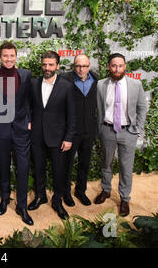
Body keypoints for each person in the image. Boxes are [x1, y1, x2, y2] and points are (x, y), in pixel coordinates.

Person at [94, 53, 147, 216]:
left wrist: (138, 129)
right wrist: (100, 129)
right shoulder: (100, 85)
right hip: (107, 129)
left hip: (128, 131)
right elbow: (97, 108)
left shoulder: (135, 84)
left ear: (125, 67)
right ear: (109, 67)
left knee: (126, 167)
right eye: (114, 66)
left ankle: (124, 198)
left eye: (120, 66)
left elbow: (142, 107)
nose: (117, 69)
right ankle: (106, 189)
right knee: (106, 163)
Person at [0, 41, 33, 225]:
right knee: (4, 165)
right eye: (5, 56)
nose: (8, 59)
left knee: (23, 167)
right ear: (0, 57)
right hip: (1, 129)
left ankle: (21, 205)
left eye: (11, 56)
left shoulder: (25, 75)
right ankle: (5, 198)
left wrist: (29, 120)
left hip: (21, 128)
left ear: (16, 57)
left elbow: (29, 100)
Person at [29, 51, 75, 220]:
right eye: (44, 64)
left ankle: (57, 200)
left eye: (50, 64)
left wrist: (69, 137)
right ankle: (40, 196)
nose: (47, 68)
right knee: (38, 169)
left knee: (58, 171)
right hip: (37, 136)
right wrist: (28, 121)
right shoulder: (33, 83)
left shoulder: (67, 86)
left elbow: (72, 115)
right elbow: (28, 106)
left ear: (57, 66)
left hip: (58, 136)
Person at [61, 54, 98, 207]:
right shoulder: (64, 80)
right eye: (77, 66)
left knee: (85, 162)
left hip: (89, 130)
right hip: (71, 131)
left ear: (89, 66)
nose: (81, 69)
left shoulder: (97, 80)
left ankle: (80, 191)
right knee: (67, 164)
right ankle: (66, 193)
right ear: (73, 66)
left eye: (84, 66)